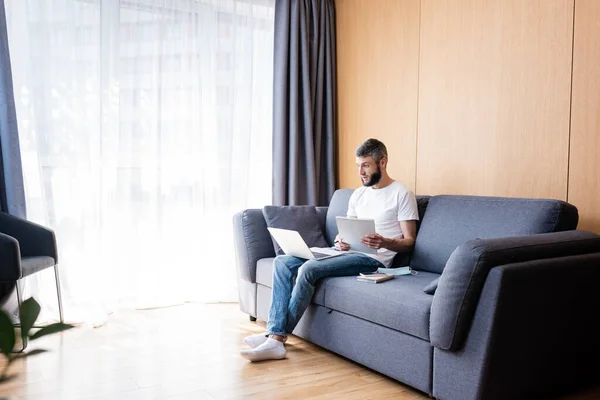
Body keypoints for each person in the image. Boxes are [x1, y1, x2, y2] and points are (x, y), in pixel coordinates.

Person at [240, 138, 419, 362]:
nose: (360, 172)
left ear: (382, 162)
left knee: (308, 269)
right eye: (358, 166)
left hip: (374, 260)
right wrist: (340, 241)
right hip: (347, 253)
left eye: (365, 165)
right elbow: (347, 230)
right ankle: (273, 334)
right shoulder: (359, 194)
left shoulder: (402, 194)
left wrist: (383, 241)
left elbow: (409, 241)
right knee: (283, 262)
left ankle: (276, 339)